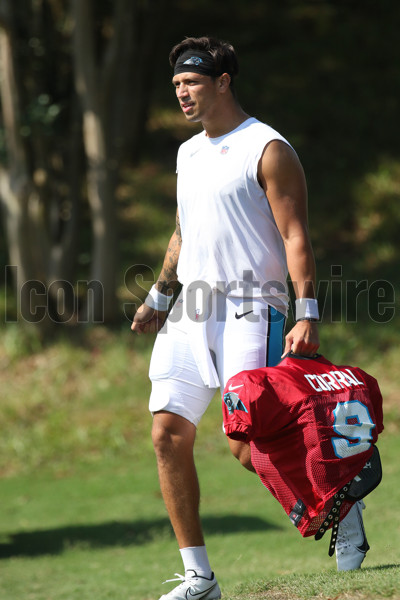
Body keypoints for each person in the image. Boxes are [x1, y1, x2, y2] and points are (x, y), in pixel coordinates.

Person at [131, 36, 321, 600]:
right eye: (176, 85)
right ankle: (200, 579)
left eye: (191, 82)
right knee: (167, 433)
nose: (182, 92)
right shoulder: (188, 153)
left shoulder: (266, 148)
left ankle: (338, 500)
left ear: (222, 82)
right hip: (190, 310)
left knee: (247, 443)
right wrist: (160, 297)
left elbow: (295, 236)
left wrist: (306, 310)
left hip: (252, 308)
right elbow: (184, 232)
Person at [222, 352, 384, 569]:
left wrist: (306, 317)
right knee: (243, 451)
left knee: (264, 446)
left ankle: (343, 500)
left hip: (253, 322)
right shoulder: (359, 377)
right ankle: (340, 492)